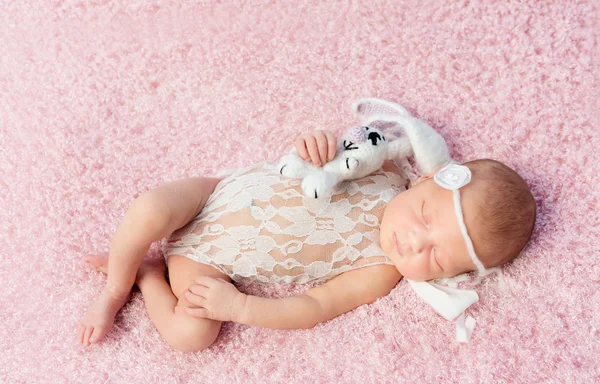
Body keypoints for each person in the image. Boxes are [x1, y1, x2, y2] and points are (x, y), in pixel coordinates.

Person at [77, 129, 536, 352]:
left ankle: (149, 276)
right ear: (428, 179)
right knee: (148, 210)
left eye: (436, 257)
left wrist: (238, 308)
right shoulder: (386, 169)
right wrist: (314, 145)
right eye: (424, 216)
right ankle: (114, 291)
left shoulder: (378, 272)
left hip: (209, 267)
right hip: (208, 197)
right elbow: (330, 152)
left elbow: (313, 308)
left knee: (192, 335)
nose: (415, 242)